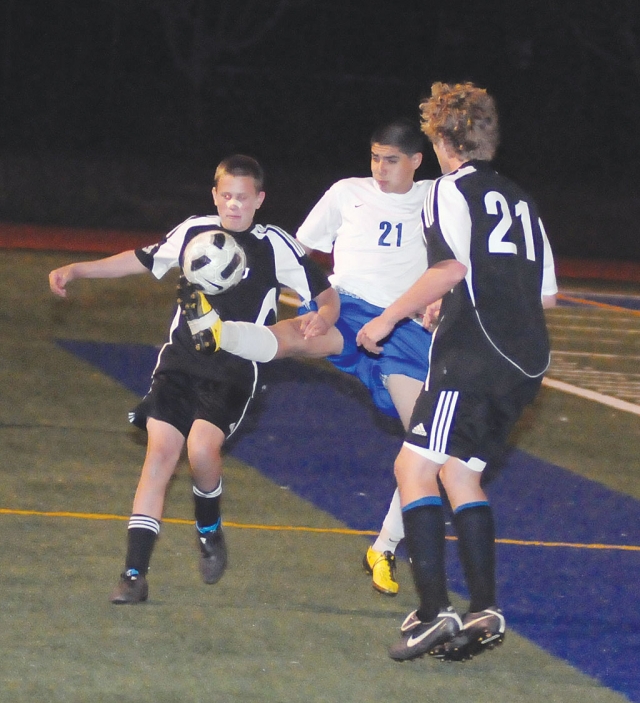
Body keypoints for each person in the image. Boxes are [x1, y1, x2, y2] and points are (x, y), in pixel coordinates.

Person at [49, 154, 339, 604]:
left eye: (243, 198)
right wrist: (78, 269)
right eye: (226, 195)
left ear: (260, 199)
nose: (233, 205)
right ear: (214, 195)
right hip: (180, 365)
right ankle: (133, 574)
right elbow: (141, 259)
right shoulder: (193, 232)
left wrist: (324, 316)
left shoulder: (274, 244)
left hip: (232, 372)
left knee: (202, 450)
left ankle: (209, 526)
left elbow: (325, 294)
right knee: (160, 454)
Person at [188, 119, 434, 596]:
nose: (380, 169)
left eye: (392, 160)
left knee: (428, 447)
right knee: (300, 336)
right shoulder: (348, 192)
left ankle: (383, 546)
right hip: (349, 307)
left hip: (403, 330)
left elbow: (454, 261)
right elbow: (298, 252)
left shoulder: (435, 199)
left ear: (416, 162)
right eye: (375, 157)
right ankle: (223, 335)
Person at [356, 82, 558, 661]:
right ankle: (485, 611)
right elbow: (542, 291)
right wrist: (463, 296)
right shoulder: (520, 198)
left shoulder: (447, 190)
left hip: (470, 359)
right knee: (460, 475)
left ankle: (432, 610)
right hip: (525, 363)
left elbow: (449, 265)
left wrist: (388, 319)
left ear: (443, 139)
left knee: (411, 467)